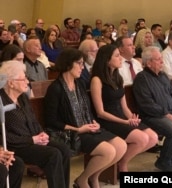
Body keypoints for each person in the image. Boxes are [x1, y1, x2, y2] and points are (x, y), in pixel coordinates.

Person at [44, 48, 127, 188]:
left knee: (121, 146)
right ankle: (84, 180)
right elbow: (51, 121)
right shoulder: (55, 88)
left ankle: (91, 177)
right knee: (109, 151)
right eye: (79, 63)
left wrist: (94, 122)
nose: (82, 67)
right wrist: (78, 129)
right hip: (71, 133)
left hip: (87, 128)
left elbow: (87, 110)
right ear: (68, 64)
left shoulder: (79, 84)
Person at [0, 60, 70, 188]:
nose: (27, 81)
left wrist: (41, 133)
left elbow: (33, 120)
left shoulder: (22, 97)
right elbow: (5, 137)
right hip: (16, 146)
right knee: (53, 154)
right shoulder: (1, 102)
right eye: (23, 79)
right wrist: (32, 139)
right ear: (10, 83)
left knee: (64, 149)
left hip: (33, 140)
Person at [90, 44, 158, 172]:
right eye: (117, 56)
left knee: (153, 137)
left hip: (121, 117)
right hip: (107, 120)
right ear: (106, 60)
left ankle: (122, 160)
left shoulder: (118, 78)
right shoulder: (97, 80)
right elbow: (100, 112)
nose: (120, 58)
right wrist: (125, 122)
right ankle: (123, 165)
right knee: (142, 138)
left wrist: (132, 118)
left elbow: (124, 107)